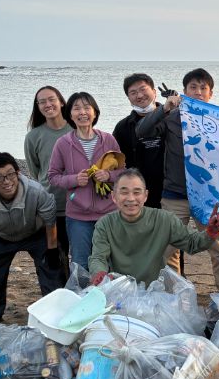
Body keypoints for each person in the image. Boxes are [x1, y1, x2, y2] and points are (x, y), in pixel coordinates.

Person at [135, 68, 219, 290]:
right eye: (193, 87)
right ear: (185, 91)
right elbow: (142, 131)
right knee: (167, 249)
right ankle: (175, 296)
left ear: (210, 93)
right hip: (174, 195)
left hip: (209, 195)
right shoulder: (171, 117)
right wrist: (165, 108)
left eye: (203, 88)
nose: (198, 92)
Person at [0, 152, 64, 331]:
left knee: (53, 267)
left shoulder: (36, 191)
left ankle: (55, 312)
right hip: (0, 234)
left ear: (18, 173)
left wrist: (52, 249)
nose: (6, 181)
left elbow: (50, 220)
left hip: (36, 232)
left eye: (10, 174)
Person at [89, 170, 219, 285]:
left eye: (137, 192)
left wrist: (210, 232)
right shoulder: (104, 224)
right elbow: (98, 258)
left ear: (145, 196)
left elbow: (192, 243)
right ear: (114, 196)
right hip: (119, 291)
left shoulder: (164, 219)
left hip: (155, 291)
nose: (131, 198)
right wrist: (100, 274)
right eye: (124, 192)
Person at [47, 92, 124, 269]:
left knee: (112, 261)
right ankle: (82, 296)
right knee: (80, 263)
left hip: (109, 214)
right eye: (76, 108)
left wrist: (109, 176)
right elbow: (53, 176)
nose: (82, 112)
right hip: (78, 215)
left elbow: (123, 171)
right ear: (70, 115)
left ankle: (110, 296)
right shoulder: (63, 143)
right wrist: (74, 179)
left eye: (87, 107)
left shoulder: (108, 139)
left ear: (95, 113)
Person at [23, 86, 73, 258]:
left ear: (61, 102)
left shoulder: (77, 129)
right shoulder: (33, 137)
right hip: (50, 206)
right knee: (56, 257)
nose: (48, 104)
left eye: (52, 99)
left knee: (84, 256)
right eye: (42, 102)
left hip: (80, 205)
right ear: (37, 107)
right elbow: (36, 173)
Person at [112, 73, 166, 209]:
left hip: (170, 193)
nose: (140, 95)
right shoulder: (122, 127)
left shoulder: (172, 118)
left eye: (143, 89)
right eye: (133, 92)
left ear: (154, 92)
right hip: (138, 196)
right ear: (129, 98)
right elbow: (116, 161)